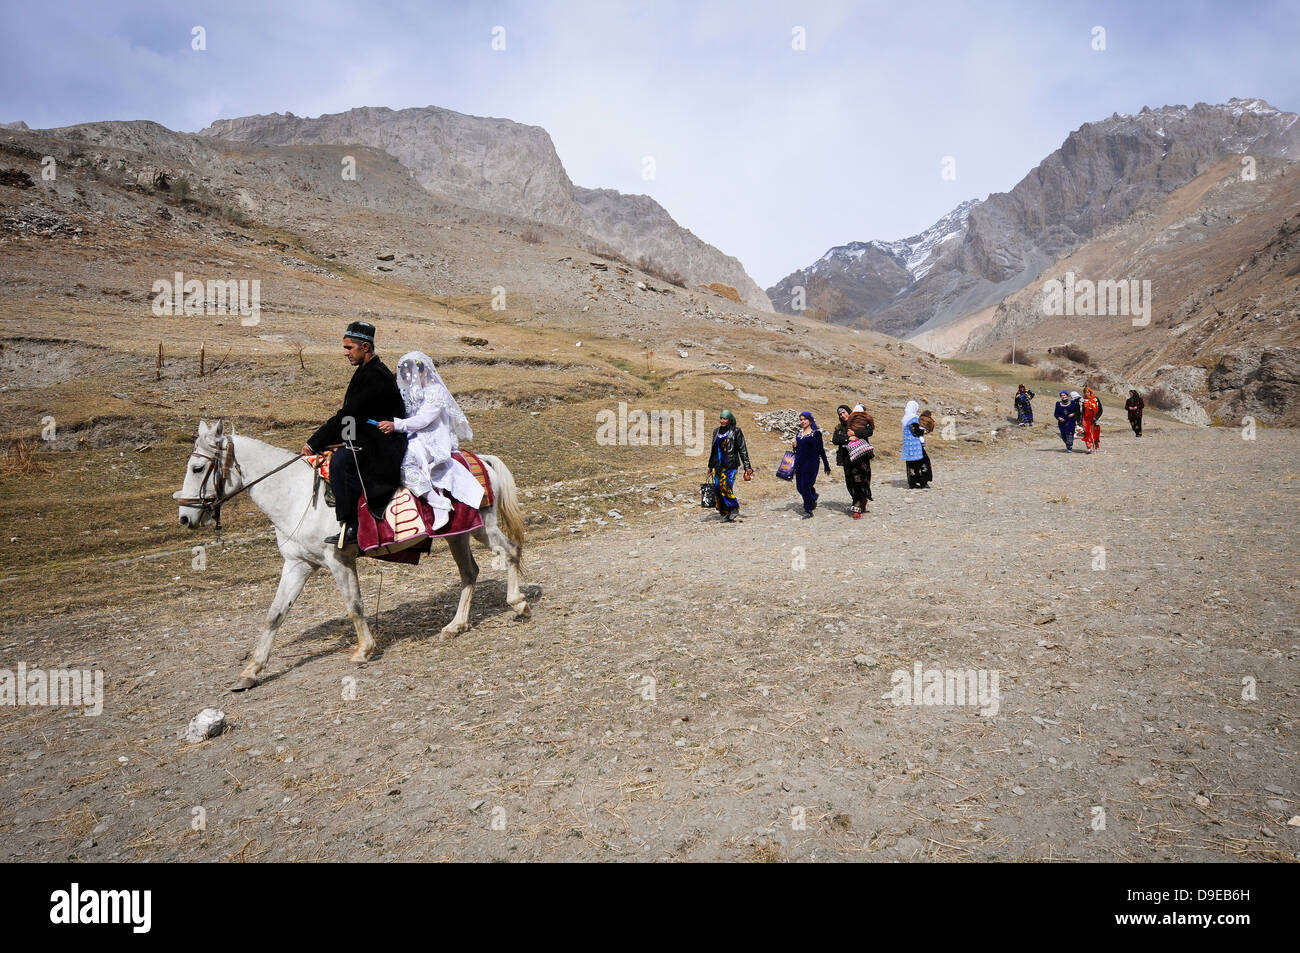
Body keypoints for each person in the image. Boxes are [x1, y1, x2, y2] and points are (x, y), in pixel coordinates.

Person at [302, 321, 408, 546]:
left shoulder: (375, 375)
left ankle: (352, 525)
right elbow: (354, 418)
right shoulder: (365, 371)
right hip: (370, 435)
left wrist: (314, 443)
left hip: (385, 441)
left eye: (349, 348)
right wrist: (338, 440)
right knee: (340, 451)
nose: (345, 353)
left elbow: (348, 415)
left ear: (365, 348)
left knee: (342, 461)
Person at [376, 351, 483, 531]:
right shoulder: (411, 394)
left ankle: (437, 502)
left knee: (403, 462)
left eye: (411, 372)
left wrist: (396, 425)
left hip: (430, 440)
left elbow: (423, 420)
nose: (408, 377)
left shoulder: (436, 392)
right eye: (404, 373)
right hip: (412, 437)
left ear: (424, 371)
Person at [708, 410, 752, 522]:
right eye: (721, 418)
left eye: (725, 418)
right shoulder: (716, 432)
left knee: (726, 486)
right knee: (718, 489)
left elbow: (742, 449)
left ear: (730, 419)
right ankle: (725, 513)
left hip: (731, 465)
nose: (722, 420)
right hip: (718, 465)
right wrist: (710, 466)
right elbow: (714, 450)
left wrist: (747, 467)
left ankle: (734, 507)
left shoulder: (736, 431)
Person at [831, 404, 874, 518]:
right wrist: (847, 438)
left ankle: (859, 504)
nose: (843, 415)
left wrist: (856, 433)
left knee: (862, 479)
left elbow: (869, 431)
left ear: (849, 412)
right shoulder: (839, 427)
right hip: (847, 458)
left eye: (844, 412)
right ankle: (859, 502)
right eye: (840, 414)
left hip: (861, 457)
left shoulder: (859, 422)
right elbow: (835, 439)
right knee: (850, 481)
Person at [790, 411, 831, 517]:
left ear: (810, 420)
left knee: (805, 486)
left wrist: (826, 465)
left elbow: (821, 450)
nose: (803, 421)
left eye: (805, 419)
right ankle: (813, 496)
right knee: (799, 487)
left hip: (811, 463)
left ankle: (808, 509)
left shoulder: (816, 433)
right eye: (801, 419)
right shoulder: (799, 434)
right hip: (799, 463)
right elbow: (798, 450)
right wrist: (795, 446)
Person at [901, 400, 932, 489]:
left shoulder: (904, 419)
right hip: (915, 445)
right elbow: (916, 430)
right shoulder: (913, 418)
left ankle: (912, 483)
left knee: (911, 464)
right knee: (924, 461)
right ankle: (923, 482)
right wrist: (925, 432)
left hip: (907, 446)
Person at [1081, 386, 1102, 453]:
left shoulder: (1096, 399)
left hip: (1095, 419)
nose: (1087, 393)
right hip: (1086, 419)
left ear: (1090, 392)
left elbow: (1100, 410)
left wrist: (1096, 417)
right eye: (1085, 392)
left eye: (1088, 392)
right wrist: (1079, 419)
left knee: (1095, 433)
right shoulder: (1082, 400)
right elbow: (1080, 410)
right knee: (1087, 433)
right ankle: (1089, 447)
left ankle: (1096, 446)